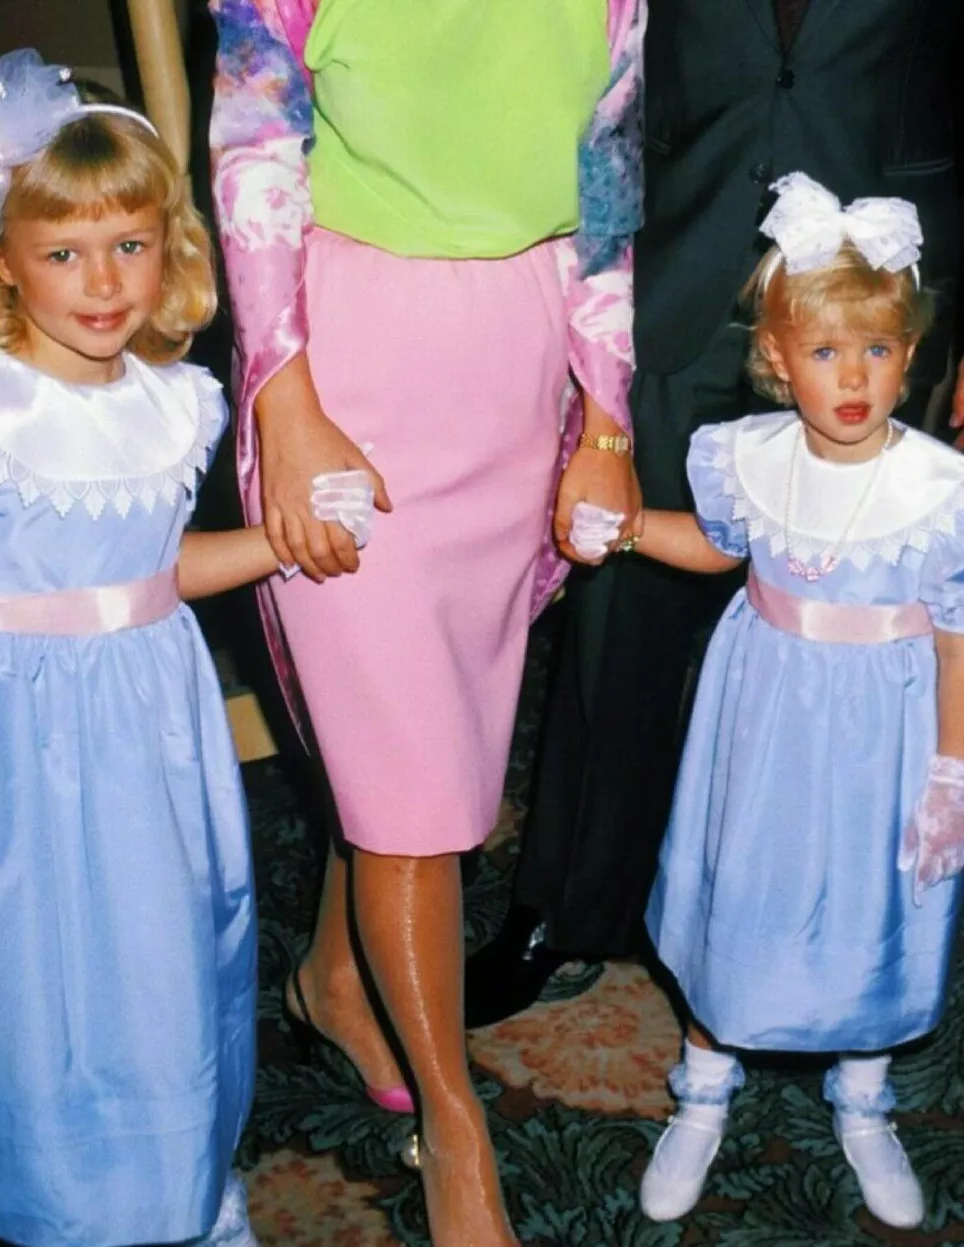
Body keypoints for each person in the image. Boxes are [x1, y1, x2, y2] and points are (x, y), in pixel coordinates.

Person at [207, 1, 646, 1242]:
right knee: (414, 791)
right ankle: (459, 1134)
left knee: (422, 739)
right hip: (346, 367)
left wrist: (605, 422)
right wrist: (284, 401)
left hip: (518, 364)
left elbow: (606, 190)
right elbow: (253, 150)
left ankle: (334, 977)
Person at [466, 0, 962, 1029]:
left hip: (879, 316)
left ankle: (859, 940)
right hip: (681, 291)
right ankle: (566, 907)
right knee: (617, 634)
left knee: (872, 650)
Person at [0, 51, 284, 1247]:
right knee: (28, 974)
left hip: (154, 728)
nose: (103, 282)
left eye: (129, 245)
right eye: (63, 252)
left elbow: (155, 569)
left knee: (164, 955)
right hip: (10, 737)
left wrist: (284, 541)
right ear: (2, 257)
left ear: (168, 245)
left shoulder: (177, 401)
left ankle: (185, 1187)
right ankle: (44, 1196)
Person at [633, 173, 964, 1228]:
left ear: (910, 353)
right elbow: (715, 547)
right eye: (824, 351)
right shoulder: (745, 457)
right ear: (776, 358)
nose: (853, 376)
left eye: (878, 348)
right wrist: (627, 527)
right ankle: (703, 1081)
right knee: (745, 884)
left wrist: (951, 769)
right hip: (765, 714)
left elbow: (957, 634)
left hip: (890, 731)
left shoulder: (941, 490)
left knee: (874, 896)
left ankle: (862, 1095)